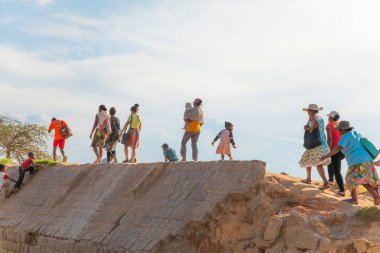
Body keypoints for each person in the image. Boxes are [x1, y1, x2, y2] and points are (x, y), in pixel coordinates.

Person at [322, 121, 380, 205]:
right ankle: (376, 198)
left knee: (349, 179)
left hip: (357, 161)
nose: (338, 131)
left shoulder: (345, 136)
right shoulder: (356, 133)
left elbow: (338, 148)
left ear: (343, 129)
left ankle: (354, 199)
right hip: (367, 159)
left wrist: (326, 156)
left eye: (339, 130)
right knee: (364, 180)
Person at [299, 104, 331, 190]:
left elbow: (316, 125)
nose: (308, 112)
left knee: (316, 163)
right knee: (309, 159)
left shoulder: (313, 117)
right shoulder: (320, 117)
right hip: (321, 143)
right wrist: (308, 127)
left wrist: (307, 129)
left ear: (311, 111)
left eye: (309, 111)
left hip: (316, 145)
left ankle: (324, 182)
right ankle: (309, 179)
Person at [325, 111, 346, 196]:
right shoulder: (340, 125)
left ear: (330, 118)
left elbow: (330, 139)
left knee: (337, 171)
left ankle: (342, 190)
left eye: (328, 117)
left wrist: (328, 150)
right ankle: (330, 180)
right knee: (330, 162)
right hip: (344, 149)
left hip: (335, 149)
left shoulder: (329, 125)